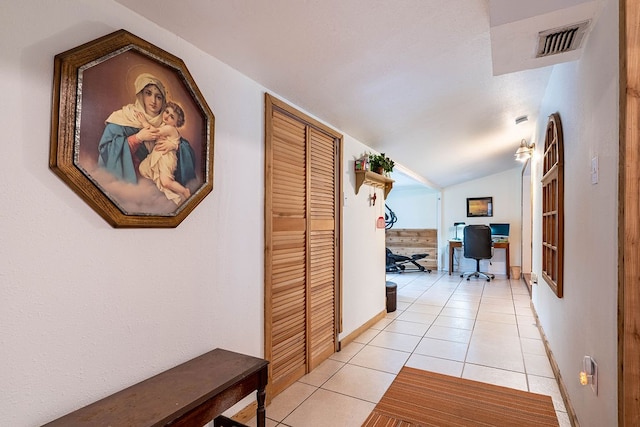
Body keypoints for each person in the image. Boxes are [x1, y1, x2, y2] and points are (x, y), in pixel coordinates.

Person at [97, 73, 196, 188]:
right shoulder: (123, 117)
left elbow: (187, 150)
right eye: (148, 93)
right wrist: (137, 138)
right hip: (128, 184)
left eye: (158, 97)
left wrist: (175, 146)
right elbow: (105, 150)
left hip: (154, 187)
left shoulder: (166, 123)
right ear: (141, 95)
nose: (153, 100)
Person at [137, 102, 191, 205]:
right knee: (144, 169)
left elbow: (155, 132)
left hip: (167, 158)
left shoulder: (170, 128)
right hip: (159, 156)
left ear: (176, 123)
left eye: (172, 117)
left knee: (166, 182)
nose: (167, 116)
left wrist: (144, 122)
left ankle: (185, 191)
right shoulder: (164, 125)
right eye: (166, 112)